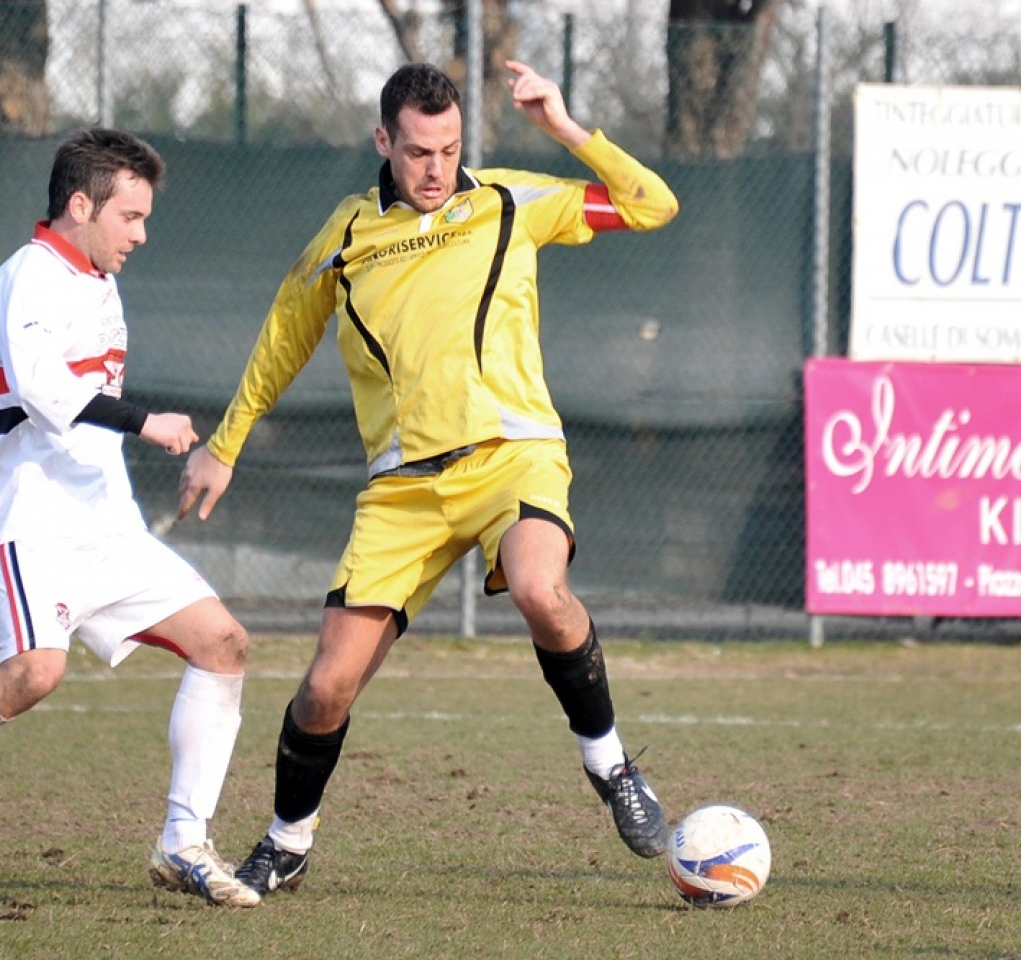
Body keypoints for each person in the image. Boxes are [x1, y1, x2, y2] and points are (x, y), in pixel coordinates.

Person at [176, 61, 680, 899]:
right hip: (403, 488)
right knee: (324, 688)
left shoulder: (508, 201)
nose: (436, 168)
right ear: (384, 142)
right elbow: (281, 341)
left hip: (513, 456)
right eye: (417, 151)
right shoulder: (345, 237)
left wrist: (563, 126)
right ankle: (288, 839)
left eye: (448, 148)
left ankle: (613, 765)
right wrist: (224, 444)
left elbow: (651, 204)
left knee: (539, 591)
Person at [0, 127, 260, 908]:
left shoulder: (97, 280)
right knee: (36, 673)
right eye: (130, 215)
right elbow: (36, 388)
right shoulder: (28, 277)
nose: (142, 232)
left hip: (102, 519)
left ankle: (183, 841)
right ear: (79, 205)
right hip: (31, 520)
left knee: (225, 645)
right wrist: (145, 422)